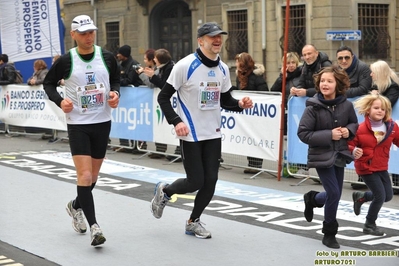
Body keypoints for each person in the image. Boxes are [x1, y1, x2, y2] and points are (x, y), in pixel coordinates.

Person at [150, 22, 253, 238]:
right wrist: (176, 121)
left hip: (213, 133)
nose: (217, 40)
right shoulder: (185, 66)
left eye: (219, 36)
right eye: (211, 36)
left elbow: (225, 101)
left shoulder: (223, 68)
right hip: (191, 133)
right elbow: (163, 97)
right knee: (195, 181)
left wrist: (240, 104)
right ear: (200, 40)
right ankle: (165, 191)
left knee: (211, 180)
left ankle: (193, 221)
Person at [43, 15, 120, 246]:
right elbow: (48, 83)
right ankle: (95, 227)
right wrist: (60, 101)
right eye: (84, 33)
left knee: (93, 177)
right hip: (78, 124)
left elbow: (115, 79)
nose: (89, 36)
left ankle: (75, 205)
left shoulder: (106, 57)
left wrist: (115, 94)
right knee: (85, 176)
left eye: (91, 32)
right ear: (74, 35)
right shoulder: (67, 60)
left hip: (102, 122)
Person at [297, 65, 358, 249]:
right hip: (321, 155)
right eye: (322, 81)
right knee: (333, 193)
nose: (325, 84)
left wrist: (348, 131)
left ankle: (313, 199)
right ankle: (329, 233)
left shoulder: (346, 105)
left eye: (329, 81)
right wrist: (329, 135)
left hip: (340, 154)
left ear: (338, 84)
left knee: (335, 195)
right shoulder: (312, 108)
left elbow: (354, 124)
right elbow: (304, 134)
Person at [348, 94, 399, 236]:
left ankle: (361, 197)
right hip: (366, 167)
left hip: (382, 166)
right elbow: (349, 145)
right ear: (368, 110)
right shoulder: (360, 128)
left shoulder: (392, 127)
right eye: (376, 108)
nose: (380, 111)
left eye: (383, 109)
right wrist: (354, 150)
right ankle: (369, 224)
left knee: (388, 196)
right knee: (380, 196)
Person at [136, 48, 177, 160]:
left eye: (155, 58)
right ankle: (165, 150)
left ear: (159, 60)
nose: (154, 59)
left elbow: (164, 86)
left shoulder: (170, 68)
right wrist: (152, 75)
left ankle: (178, 152)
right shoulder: (163, 67)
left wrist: (153, 76)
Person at [232, 52, 268, 173]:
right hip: (246, 114)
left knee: (255, 137)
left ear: (244, 63)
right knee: (248, 138)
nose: (236, 64)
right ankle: (251, 163)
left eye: (238, 61)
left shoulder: (257, 78)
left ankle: (256, 164)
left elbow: (264, 94)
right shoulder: (239, 77)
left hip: (256, 114)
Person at [369, 60, 399, 194]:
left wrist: (376, 97)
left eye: (373, 72)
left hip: (390, 127)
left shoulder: (393, 87)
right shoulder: (379, 86)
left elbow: (387, 104)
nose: (370, 74)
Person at [114, 45, 145, 153]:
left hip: (135, 97)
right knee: (123, 121)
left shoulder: (134, 64)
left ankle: (139, 145)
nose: (117, 55)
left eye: (119, 53)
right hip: (125, 98)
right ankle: (125, 144)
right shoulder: (120, 65)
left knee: (136, 121)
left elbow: (130, 80)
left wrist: (118, 82)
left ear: (124, 55)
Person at [270, 52, 302, 135]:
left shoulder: (301, 74)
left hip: (299, 110)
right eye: (288, 63)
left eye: (293, 62)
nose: (291, 65)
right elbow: (274, 90)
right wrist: (282, 77)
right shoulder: (283, 76)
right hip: (286, 111)